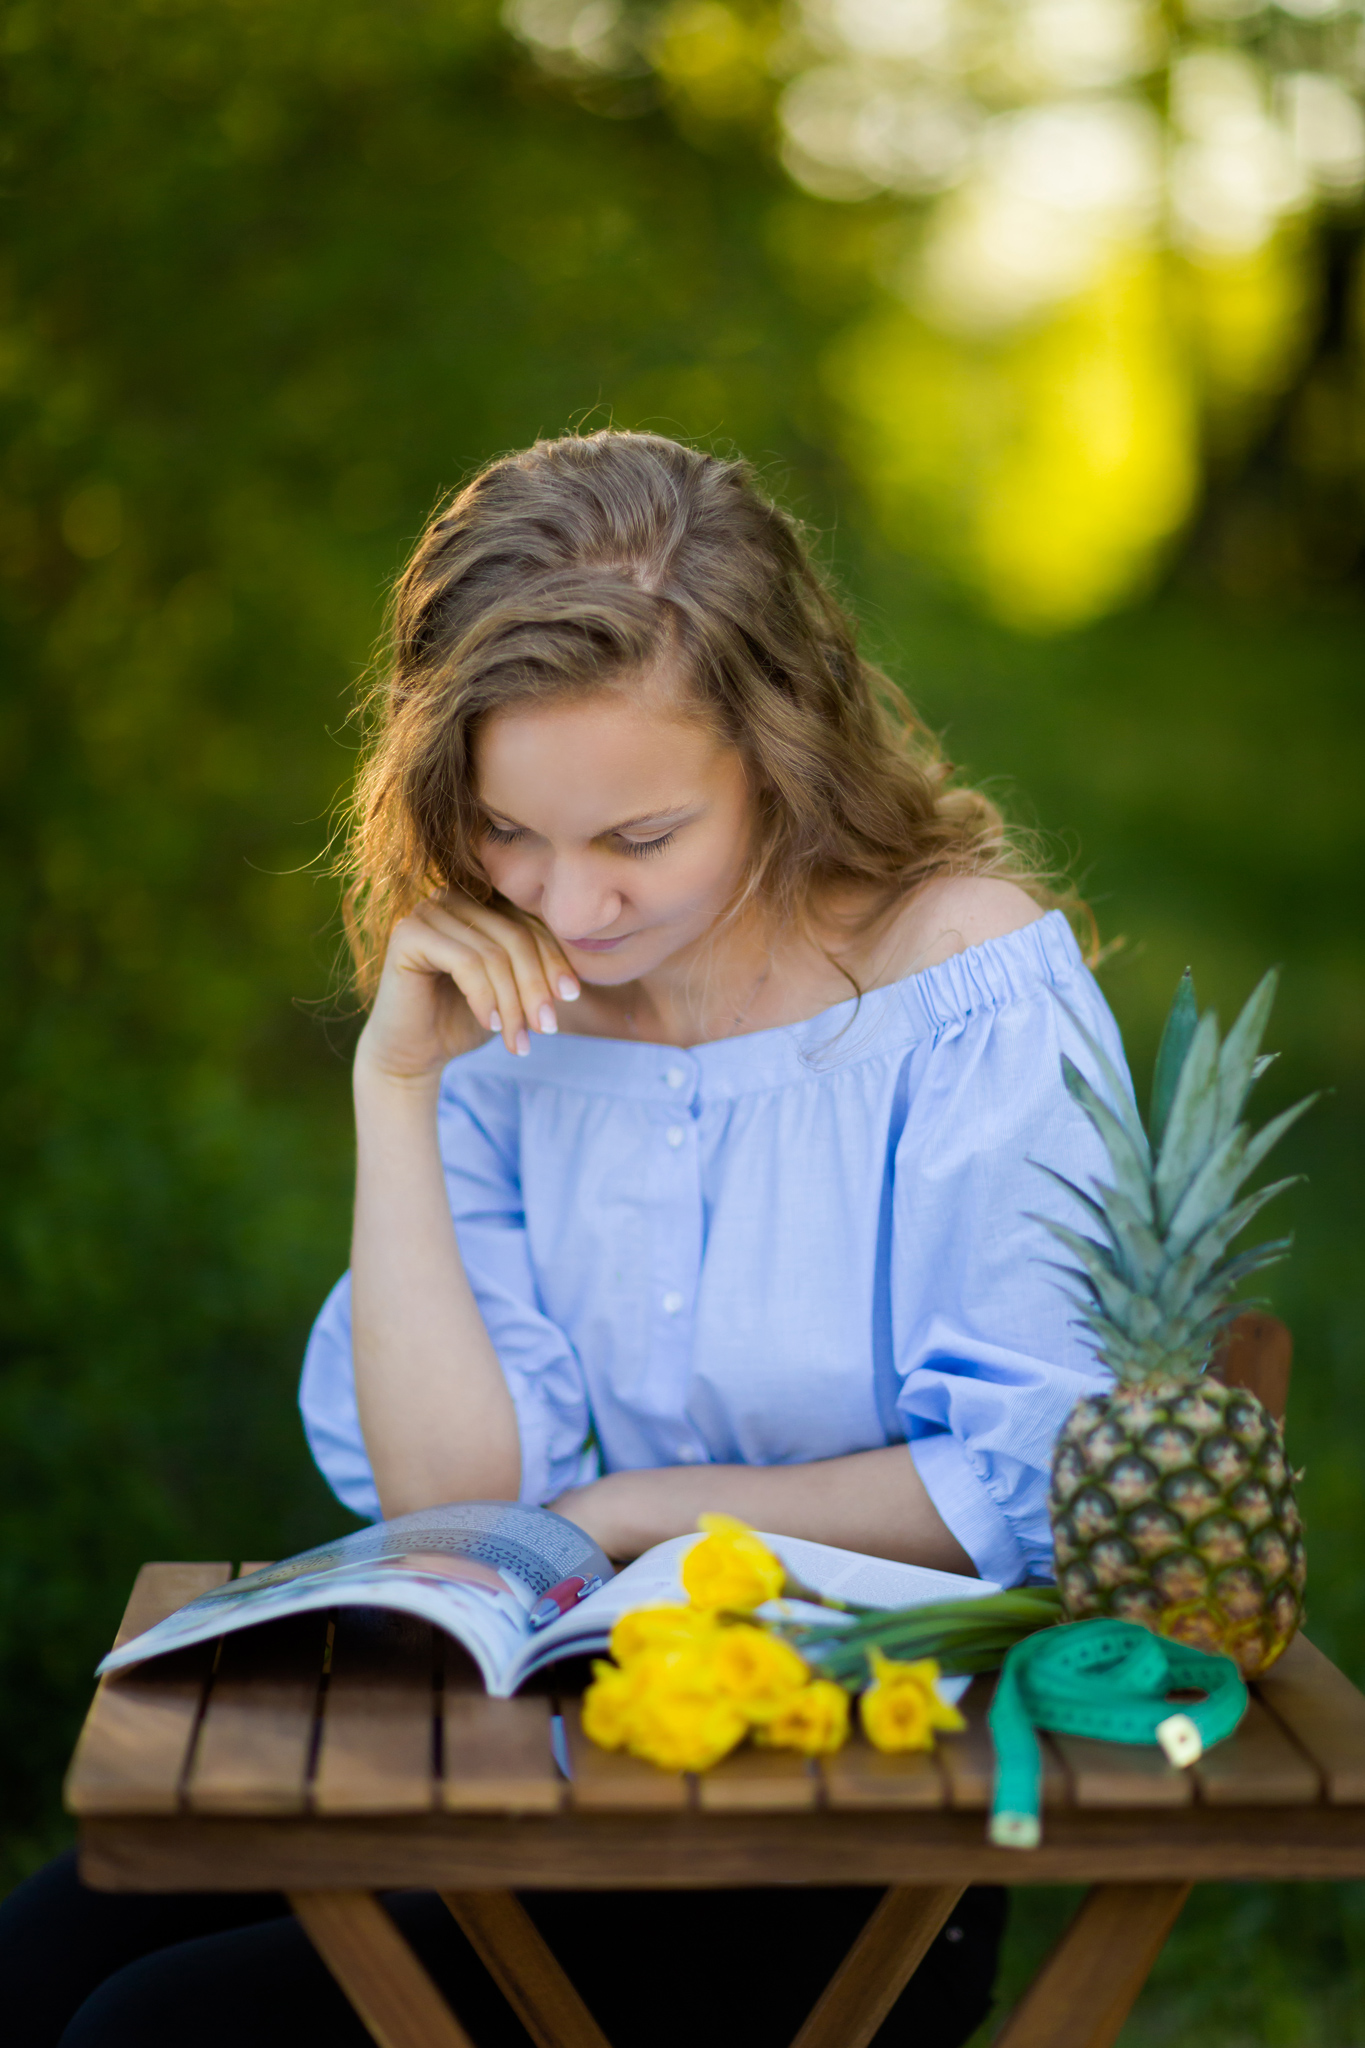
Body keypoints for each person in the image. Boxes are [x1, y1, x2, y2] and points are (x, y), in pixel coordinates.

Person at [5, 431, 1130, 2045]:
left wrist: (620, 1514)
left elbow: (1022, 1474)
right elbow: (455, 1505)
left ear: (783, 756)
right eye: (508, 833)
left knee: (157, 2033)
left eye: (638, 839)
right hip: (527, 1761)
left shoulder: (958, 986)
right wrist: (397, 1087)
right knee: (46, 1962)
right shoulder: (506, 997)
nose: (570, 906)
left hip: (841, 1815)